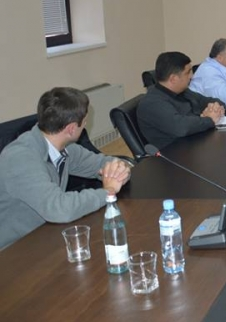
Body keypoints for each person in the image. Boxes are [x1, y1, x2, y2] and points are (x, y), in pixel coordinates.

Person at [0, 87, 132, 249]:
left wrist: (120, 168)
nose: (85, 126)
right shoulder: (20, 158)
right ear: (71, 129)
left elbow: (102, 162)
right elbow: (60, 209)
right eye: (84, 122)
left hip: (46, 236)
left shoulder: (63, 148)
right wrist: (108, 192)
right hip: (14, 250)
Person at [137, 51, 226, 149]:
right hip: (176, 153)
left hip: (196, 143)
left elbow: (206, 100)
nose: (191, 76)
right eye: (187, 73)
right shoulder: (152, 103)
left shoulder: (182, 91)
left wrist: (217, 107)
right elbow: (181, 127)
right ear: (173, 79)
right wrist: (209, 119)